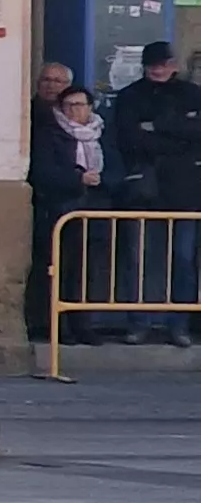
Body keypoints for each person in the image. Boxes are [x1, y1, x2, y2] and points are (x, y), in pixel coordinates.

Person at [106, 42, 201, 344]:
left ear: (174, 65)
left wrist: (156, 126)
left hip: (185, 190)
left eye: (163, 64)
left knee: (183, 259)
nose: (158, 70)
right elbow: (129, 139)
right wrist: (176, 133)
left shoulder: (192, 94)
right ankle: (139, 322)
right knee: (140, 258)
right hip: (144, 188)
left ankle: (179, 325)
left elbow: (196, 133)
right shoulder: (130, 96)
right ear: (144, 67)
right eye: (152, 65)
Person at [31, 83, 110, 341]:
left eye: (80, 105)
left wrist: (103, 180)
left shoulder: (103, 133)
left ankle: (84, 324)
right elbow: (42, 171)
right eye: (69, 106)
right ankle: (56, 325)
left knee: (89, 269)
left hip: (96, 208)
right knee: (59, 267)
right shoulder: (49, 134)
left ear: (90, 107)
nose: (74, 111)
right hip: (60, 209)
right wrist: (78, 180)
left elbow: (117, 164)